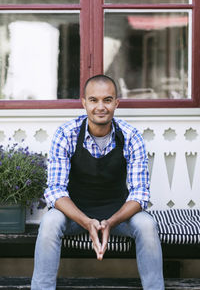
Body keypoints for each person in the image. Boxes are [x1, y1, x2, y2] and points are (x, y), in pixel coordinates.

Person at [31, 75, 164, 290]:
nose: (100, 107)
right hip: (73, 214)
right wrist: (87, 222)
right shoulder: (66, 134)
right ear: (84, 103)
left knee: (147, 224)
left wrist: (111, 222)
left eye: (107, 100)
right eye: (93, 100)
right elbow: (55, 191)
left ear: (116, 103)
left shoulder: (131, 136)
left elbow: (140, 194)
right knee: (49, 223)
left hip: (118, 214)